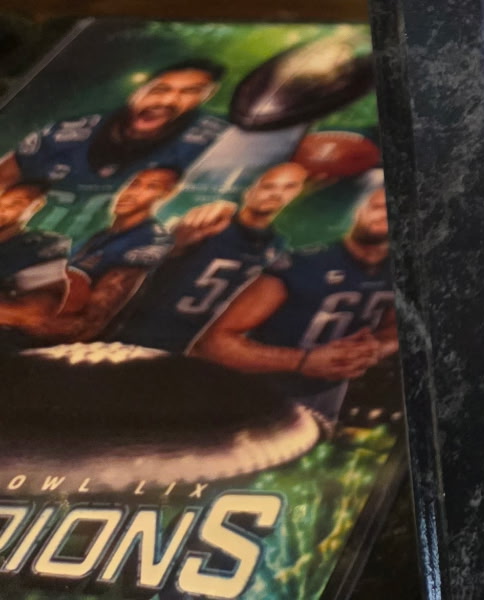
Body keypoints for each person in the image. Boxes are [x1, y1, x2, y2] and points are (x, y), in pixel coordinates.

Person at [193, 181, 395, 422]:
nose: (384, 216)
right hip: (257, 392)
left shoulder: (399, 272)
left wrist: (376, 348)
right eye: (378, 207)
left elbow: (395, 328)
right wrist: (302, 361)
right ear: (359, 211)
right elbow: (212, 343)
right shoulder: (303, 265)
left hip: (326, 395)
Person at [0, 59, 227, 232]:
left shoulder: (211, 140)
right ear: (138, 91)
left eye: (190, 92)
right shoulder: (66, 134)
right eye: (160, 89)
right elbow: (7, 173)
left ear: (203, 99)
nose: (168, 101)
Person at [111, 160, 307, 355]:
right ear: (249, 191)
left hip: (195, 351)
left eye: (288, 187)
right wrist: (178, 240)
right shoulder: (210, 222)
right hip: (141, 338)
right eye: (268, 186)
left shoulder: (277, 247)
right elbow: (147, 263)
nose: (276, 193)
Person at [0, 166, 180, 346]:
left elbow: (87, 326)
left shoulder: (149, 240)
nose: (131, 193)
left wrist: (23, 316)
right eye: (133, 183)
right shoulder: (102, 236)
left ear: (167, 194)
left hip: (69, 347)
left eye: (151, 186)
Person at [0, 183, 69, 351]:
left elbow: (35, 314)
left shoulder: (41, 247)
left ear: (36, 206)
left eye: (15, 202)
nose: (1, 208)